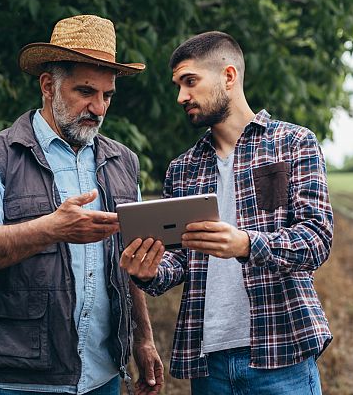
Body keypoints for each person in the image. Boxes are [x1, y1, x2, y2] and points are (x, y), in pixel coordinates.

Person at [0, 15, 163, 395]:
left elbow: (129, 261)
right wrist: (52, 228)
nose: (98, 107)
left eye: (107, 95)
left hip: (103, 375)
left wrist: (142, 339)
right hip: (18, 380)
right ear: (48, 85)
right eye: (85, 92)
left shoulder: (123, 160)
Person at [119, 31, 333, 394]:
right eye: (178, 85)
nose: (181, 96)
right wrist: (149, 272)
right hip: (208, 363)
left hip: (282, 352)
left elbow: (317, 239)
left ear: (228, 77)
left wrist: (247, 244)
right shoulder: (182, 169)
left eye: (190, 82)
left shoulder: (294, 143)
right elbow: (180, 262)